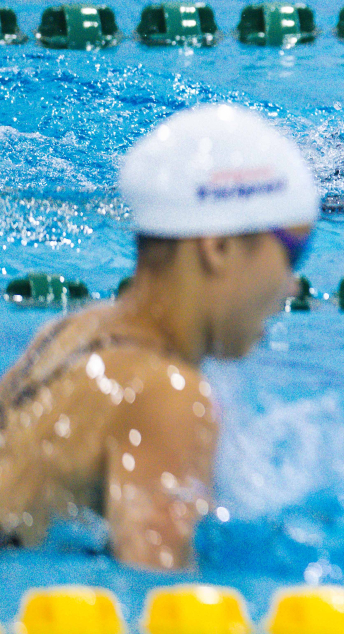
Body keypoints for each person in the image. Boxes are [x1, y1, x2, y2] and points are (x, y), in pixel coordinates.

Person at [0, 104, 318, 570]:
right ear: (219, 248)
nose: (293, 284)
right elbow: (160, 596)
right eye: (294, 253)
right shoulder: (169, 394)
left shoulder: (70, 332)